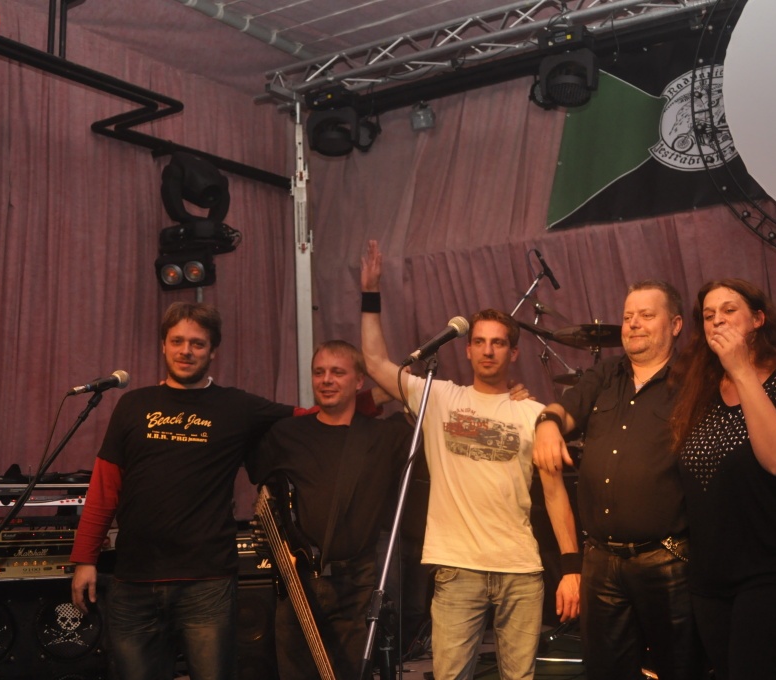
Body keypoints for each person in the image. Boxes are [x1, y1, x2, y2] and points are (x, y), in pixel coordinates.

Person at [68, 302, 382, 680]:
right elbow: (105, 487)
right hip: (133, 580)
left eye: (197, 343)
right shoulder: (133, 405)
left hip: (207, 583)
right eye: (177, 341)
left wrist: (376, 397)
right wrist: (85, 559)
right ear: (163, 346)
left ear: (213, 351)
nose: (186, 351)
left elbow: (316, 417)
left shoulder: (237, 408)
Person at [360, 240, 579, 680]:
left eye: (498, 343)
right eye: (479, 342)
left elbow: (556, 494)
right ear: (466, 349)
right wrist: (370, 294)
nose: (487, 350)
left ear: (513, 353)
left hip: (520, 569)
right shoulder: (439, 397)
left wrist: (572, 569)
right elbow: (375, 363)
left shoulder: (533, 413)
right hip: (457, 568)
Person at [532, 280, 704, 680]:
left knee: (679, 669)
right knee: (606, 671)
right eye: (628, 317)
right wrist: (547, 423)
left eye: (646, 315)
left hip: (666, 560)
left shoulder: (693, 381)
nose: (633, 324)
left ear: (675, 324)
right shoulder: (606, 373)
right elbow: (563, 410)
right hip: (601, 563)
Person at [670, 279, 776, 680]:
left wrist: (741, 369)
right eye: (708, 315)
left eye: (729, 310)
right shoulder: (700, 391)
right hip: (713, 577)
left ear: (758, 319)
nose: (717, 321)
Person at [248, 339, 412, 680]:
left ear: (359, 381)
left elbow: (435, 415)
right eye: (319, 372)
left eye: (338, 372)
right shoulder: (285, 434)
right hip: (296, 582)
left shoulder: (385, 436)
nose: (326, 380)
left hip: (357, 581)